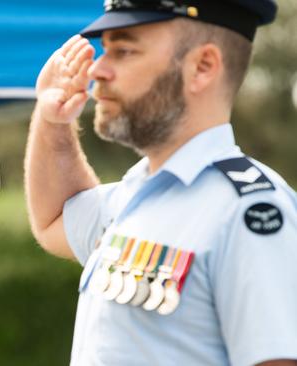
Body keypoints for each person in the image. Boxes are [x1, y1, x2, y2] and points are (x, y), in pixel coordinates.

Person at [25, 0, 297, 365]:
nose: (98, 68)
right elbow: (54, 218)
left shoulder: (251, 210)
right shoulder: (135, 192)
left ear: (202, 67)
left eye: (123, 51)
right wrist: (51, 121)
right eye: (105, 50)